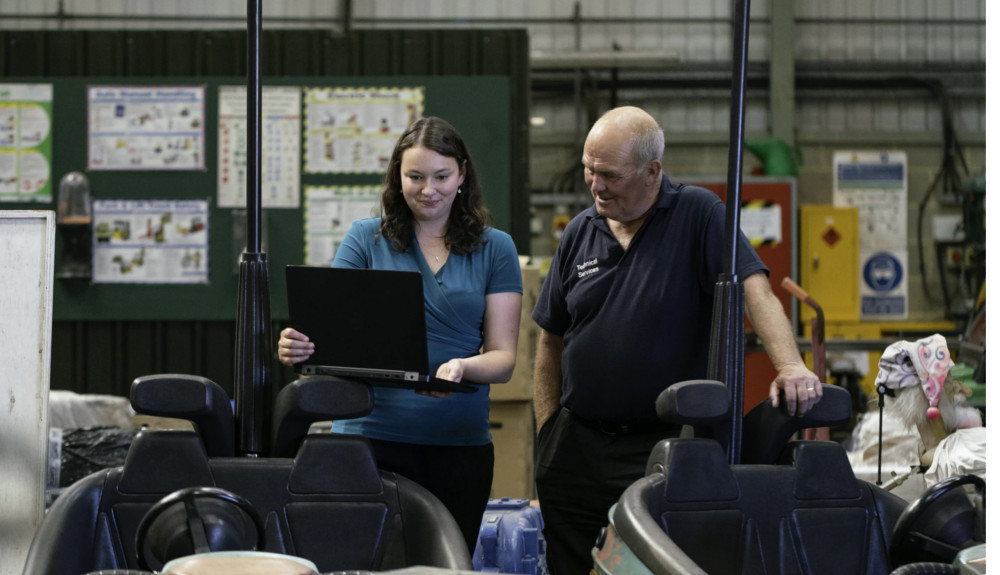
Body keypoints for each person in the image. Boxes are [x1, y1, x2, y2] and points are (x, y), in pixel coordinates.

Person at [531, 106, 822, 574]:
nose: (595, 185)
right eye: (589, 170)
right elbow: (549, 340)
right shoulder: (579, 233)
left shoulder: (699, 214)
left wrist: (790, 365)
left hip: (662, 448)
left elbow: (755, 290)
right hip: (575, 449)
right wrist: (547, 431)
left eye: (609, 175)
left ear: (652, 171)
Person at [278, 116, 523, 553]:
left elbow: (503, 358)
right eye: (415, 177)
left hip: (457, 445)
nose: (429, 190)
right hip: (367, 439)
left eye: (442, 177)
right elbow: (330, 335)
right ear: (398, 177)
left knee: (446, 561)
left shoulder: (496, 247)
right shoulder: (365, 239)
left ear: (463, 174)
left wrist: (464, 366)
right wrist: (298, 345)